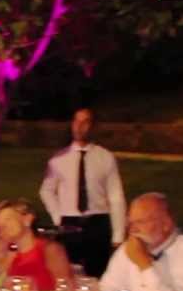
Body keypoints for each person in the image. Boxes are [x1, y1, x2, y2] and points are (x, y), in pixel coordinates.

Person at [39, 107, 126, 277]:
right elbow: (46, 190)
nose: (79, 127)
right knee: (69, 272)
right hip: (70, 222)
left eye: (85, 122)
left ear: (93, 126)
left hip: (98, 221)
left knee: (98, 273)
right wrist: (59, 217)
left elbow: (116, 196)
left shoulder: (105, 157)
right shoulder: (59, 159)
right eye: (76, 121)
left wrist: (118, 234)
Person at [99, 192, 183, 291]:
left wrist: (144, 265)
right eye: (130, 223)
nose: (132, 229)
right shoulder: (127, 249)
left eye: (140, 222)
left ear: (166, 224)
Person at [0, 197, 72, 291]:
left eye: (8, 219)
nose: (3, 226)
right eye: (0, 224)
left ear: (27, 219)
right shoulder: (9, 255)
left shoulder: (50, 249)